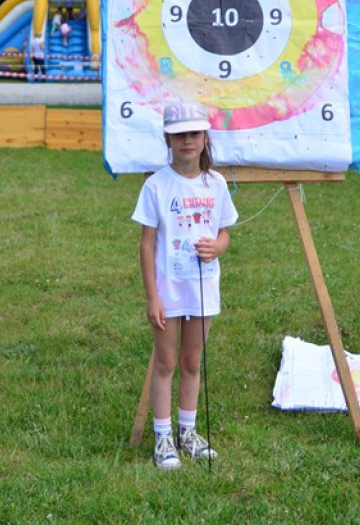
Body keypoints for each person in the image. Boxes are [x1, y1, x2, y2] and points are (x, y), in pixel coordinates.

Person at [132, 102, 239, 471]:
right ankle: (163, 438)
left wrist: (218, 247)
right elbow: (147, 244)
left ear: (204, 137)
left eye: (194, 134)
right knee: (165, 362)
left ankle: (187, 433)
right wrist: (152, 297)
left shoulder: (217, 184)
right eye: (179, 135)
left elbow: (224, 231)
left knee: (192, 361)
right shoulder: (156, 186)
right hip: (168, 291)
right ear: (168, 139)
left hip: (204, 289)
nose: (187, 141)